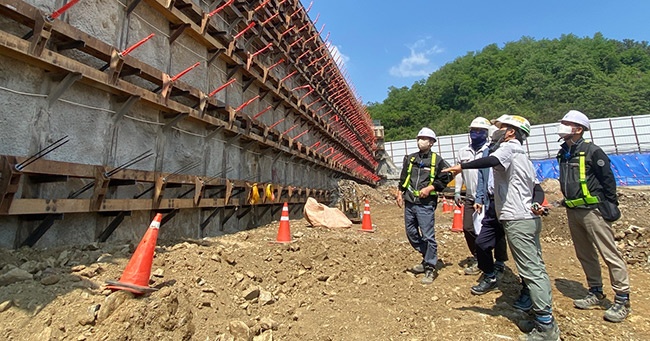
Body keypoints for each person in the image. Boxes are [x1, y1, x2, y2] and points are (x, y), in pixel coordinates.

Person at [443, 115, 560, 341]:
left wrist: (462, 167)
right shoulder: (523, 157)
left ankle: (546, 326)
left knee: (531, 270)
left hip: (517, 218)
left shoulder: (508, 149)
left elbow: (490, 162)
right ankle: (540, 317)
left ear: (511, 132)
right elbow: (533, 187)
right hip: (525, 217)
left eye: (501, 128)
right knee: (534, 265)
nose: (496, 131)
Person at [556, 110, 631, 322]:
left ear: (578, 129)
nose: (562, 127)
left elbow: (608, 180)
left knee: (610, 254)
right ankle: (595, 291)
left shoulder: (592, 152)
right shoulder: (564, 152)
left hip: (593, 211)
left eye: (567, 124)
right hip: (573, 210)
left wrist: (610, 205)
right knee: (585, 253)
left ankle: (622, 299)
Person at [396, 127, 452, 284]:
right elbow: (404, 176)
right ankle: (428, 256)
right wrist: (400, 192)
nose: (421, 141)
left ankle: (429, 267)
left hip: (425, 204)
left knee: (427, 236)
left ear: (432, 142)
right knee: (411, 233)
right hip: (410, 202)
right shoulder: (411, 158)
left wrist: (430, 188)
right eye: (420, 138)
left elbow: (447, 175)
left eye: (425, 139)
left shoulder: (437, 160)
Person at [469, 125, 509, 295]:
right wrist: (479, 198)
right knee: (482, 241)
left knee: (512, 241)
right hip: (491, 201)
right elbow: (482, 177)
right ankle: (490, 274)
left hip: (508, 202)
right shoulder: (486, 153)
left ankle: (502, 264)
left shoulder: (511, 151)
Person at [454, 117, 492, 275]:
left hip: (489, 198)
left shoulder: (490, 150)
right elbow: (459, 172)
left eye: (479, 131)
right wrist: (457, 190)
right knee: (468, 228)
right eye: (473, 131)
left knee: (489, 231)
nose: (475, 134)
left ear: (486, 133)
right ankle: (478, 257)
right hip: (470, 197)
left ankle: (496, 262)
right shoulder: (463, 151)